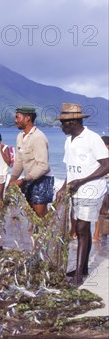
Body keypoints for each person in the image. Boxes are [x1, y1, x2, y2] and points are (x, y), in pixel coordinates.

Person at [54, 104, 109, 286]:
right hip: (75, 190)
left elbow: (106, 165)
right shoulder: (68, 140)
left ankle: (79, 273)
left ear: (74, 121)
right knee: (78, 227)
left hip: (91, 190)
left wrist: (82, 180)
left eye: (64, 123)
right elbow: (70, 169)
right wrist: (63, 187)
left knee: (82, 229)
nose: (61, 127)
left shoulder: (92, 138)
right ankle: (83, 267)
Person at [9, 106, 54, 219]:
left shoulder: (38, 137)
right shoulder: (20, 136)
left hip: (43, 179)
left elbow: (43, 166)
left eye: (17, 117)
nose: (15, 120)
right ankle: (38, 234)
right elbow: (19, 161)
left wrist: (23, 180)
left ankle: (46, 235)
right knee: (31, 212)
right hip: (29, 178)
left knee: (40, 213)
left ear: (28, 118)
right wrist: (12, 180)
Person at [93, 136, 109, 242]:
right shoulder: (100, 156)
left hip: (104, 185)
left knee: (102, 211)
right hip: (103, 185)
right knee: (102, 211)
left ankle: (98, 234)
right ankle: (99, 234)